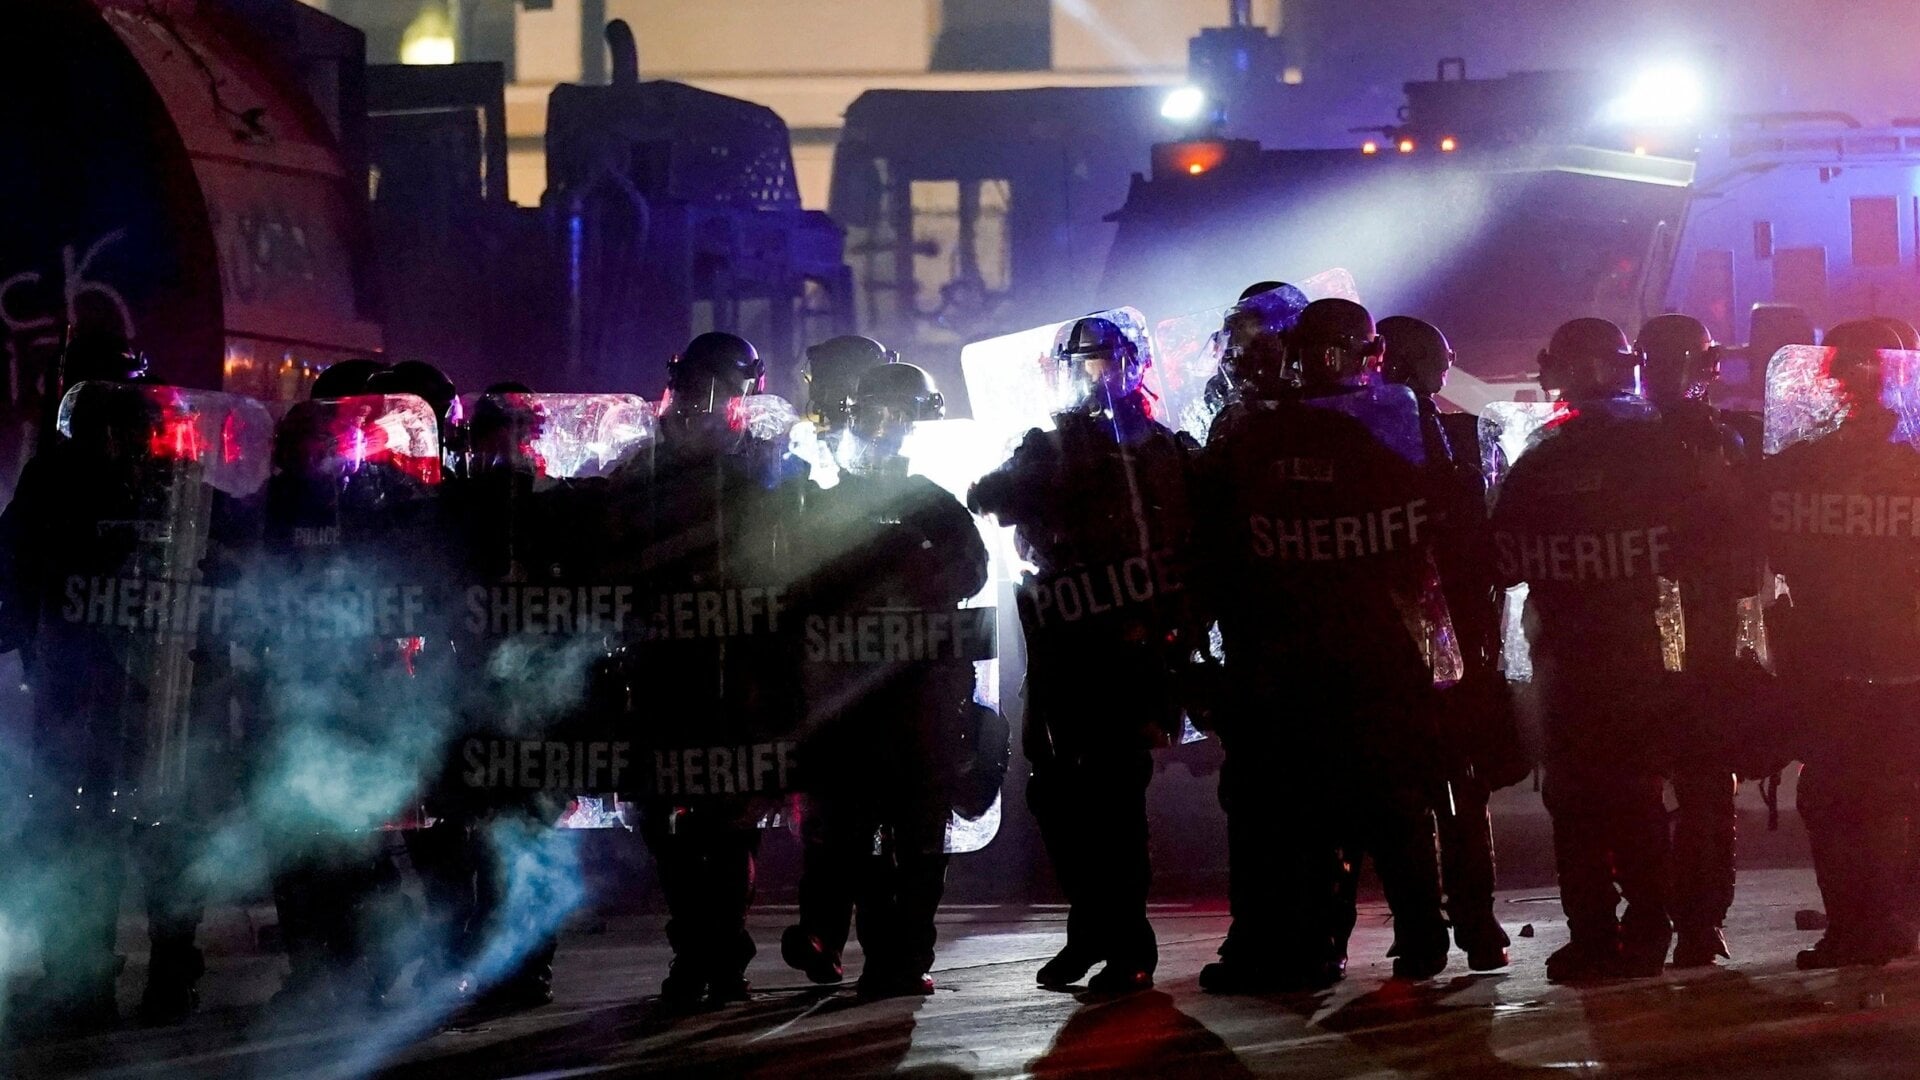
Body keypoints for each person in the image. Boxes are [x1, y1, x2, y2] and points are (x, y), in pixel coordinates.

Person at [1196, 298, 1451, 992]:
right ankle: (1392, 938)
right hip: (1345, 646)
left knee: (1351, 804)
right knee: (1365, 803)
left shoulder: (1275, 430)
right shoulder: (1382, 424)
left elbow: (1221, 543)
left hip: (1325, 649)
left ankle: (1374, 940)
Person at [1491, 318, 1737, 982]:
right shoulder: (1663, 452)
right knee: (1633, 799)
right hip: (1644, 657)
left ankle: (1598, 936)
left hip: (1570, 663)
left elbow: (1503, 561)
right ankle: (1648, 931)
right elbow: (1712, 553)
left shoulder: (1540, 459)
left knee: (1578, 803)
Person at [970, 310, 1204, 994]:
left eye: (1103, 361)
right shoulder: (1051, 446)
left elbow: (1193, 547)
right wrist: (1055, 461)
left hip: (1129, 650)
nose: (1093, 376)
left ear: (1132, 365)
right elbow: (988, 497)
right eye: (1081, 364)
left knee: (1114, 800)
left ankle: (1128, 945)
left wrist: (1181, 636)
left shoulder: (1162, 452)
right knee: (1052, 793)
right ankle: (1091, 931)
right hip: (1061, 649)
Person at [783, 361, 988, 996]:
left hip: (921, 699)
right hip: (852, 701)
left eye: (894, 419)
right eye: (872, 417)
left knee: (919, 836)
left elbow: (973, 571)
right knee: (849, 828)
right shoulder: (829, 501)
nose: (881, 431)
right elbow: (796, 589)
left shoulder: (932, 504)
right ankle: (853, 944)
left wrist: (916, 570)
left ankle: (904, 956)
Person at [611, 331, 802, 1007]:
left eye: (719, 392)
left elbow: (798, 558)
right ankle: (700, 950)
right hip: (664, 674)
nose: (702, 405)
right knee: (665, 822)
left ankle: (717, 957)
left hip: (738, 677)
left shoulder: (770, 468)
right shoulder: (643, 468)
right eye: (694, 390)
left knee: (728, 825)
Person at [1378, 315, 1514, 972]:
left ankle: (1440, 927)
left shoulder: (1443, 440)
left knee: (1433, 788)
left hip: (1430, 635)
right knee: (1442, 788)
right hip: (1429, 634)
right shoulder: (1454, 439)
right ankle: (1459, 926)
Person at [1634, 313, 1751, 969]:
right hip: (1695, 635)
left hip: (1648, 636)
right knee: (1700, 786)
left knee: (1649, 785)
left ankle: (1665, 921)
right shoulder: (1721, 441)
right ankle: (1696, 923)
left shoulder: (1622, 441)